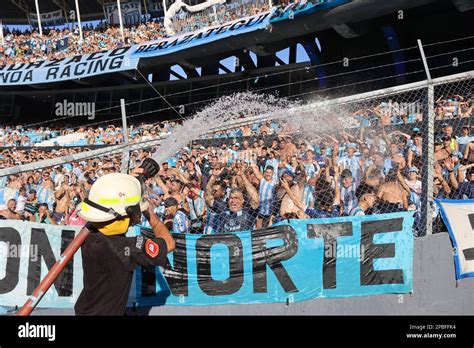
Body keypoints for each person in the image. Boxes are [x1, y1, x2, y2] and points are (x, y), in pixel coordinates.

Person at [75, 171, 175, 316]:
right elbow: (169, 244)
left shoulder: (90, 235)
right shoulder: (127, 248)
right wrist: (149, 213)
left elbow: (109, 207)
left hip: (85, 310)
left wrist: (128, 186)